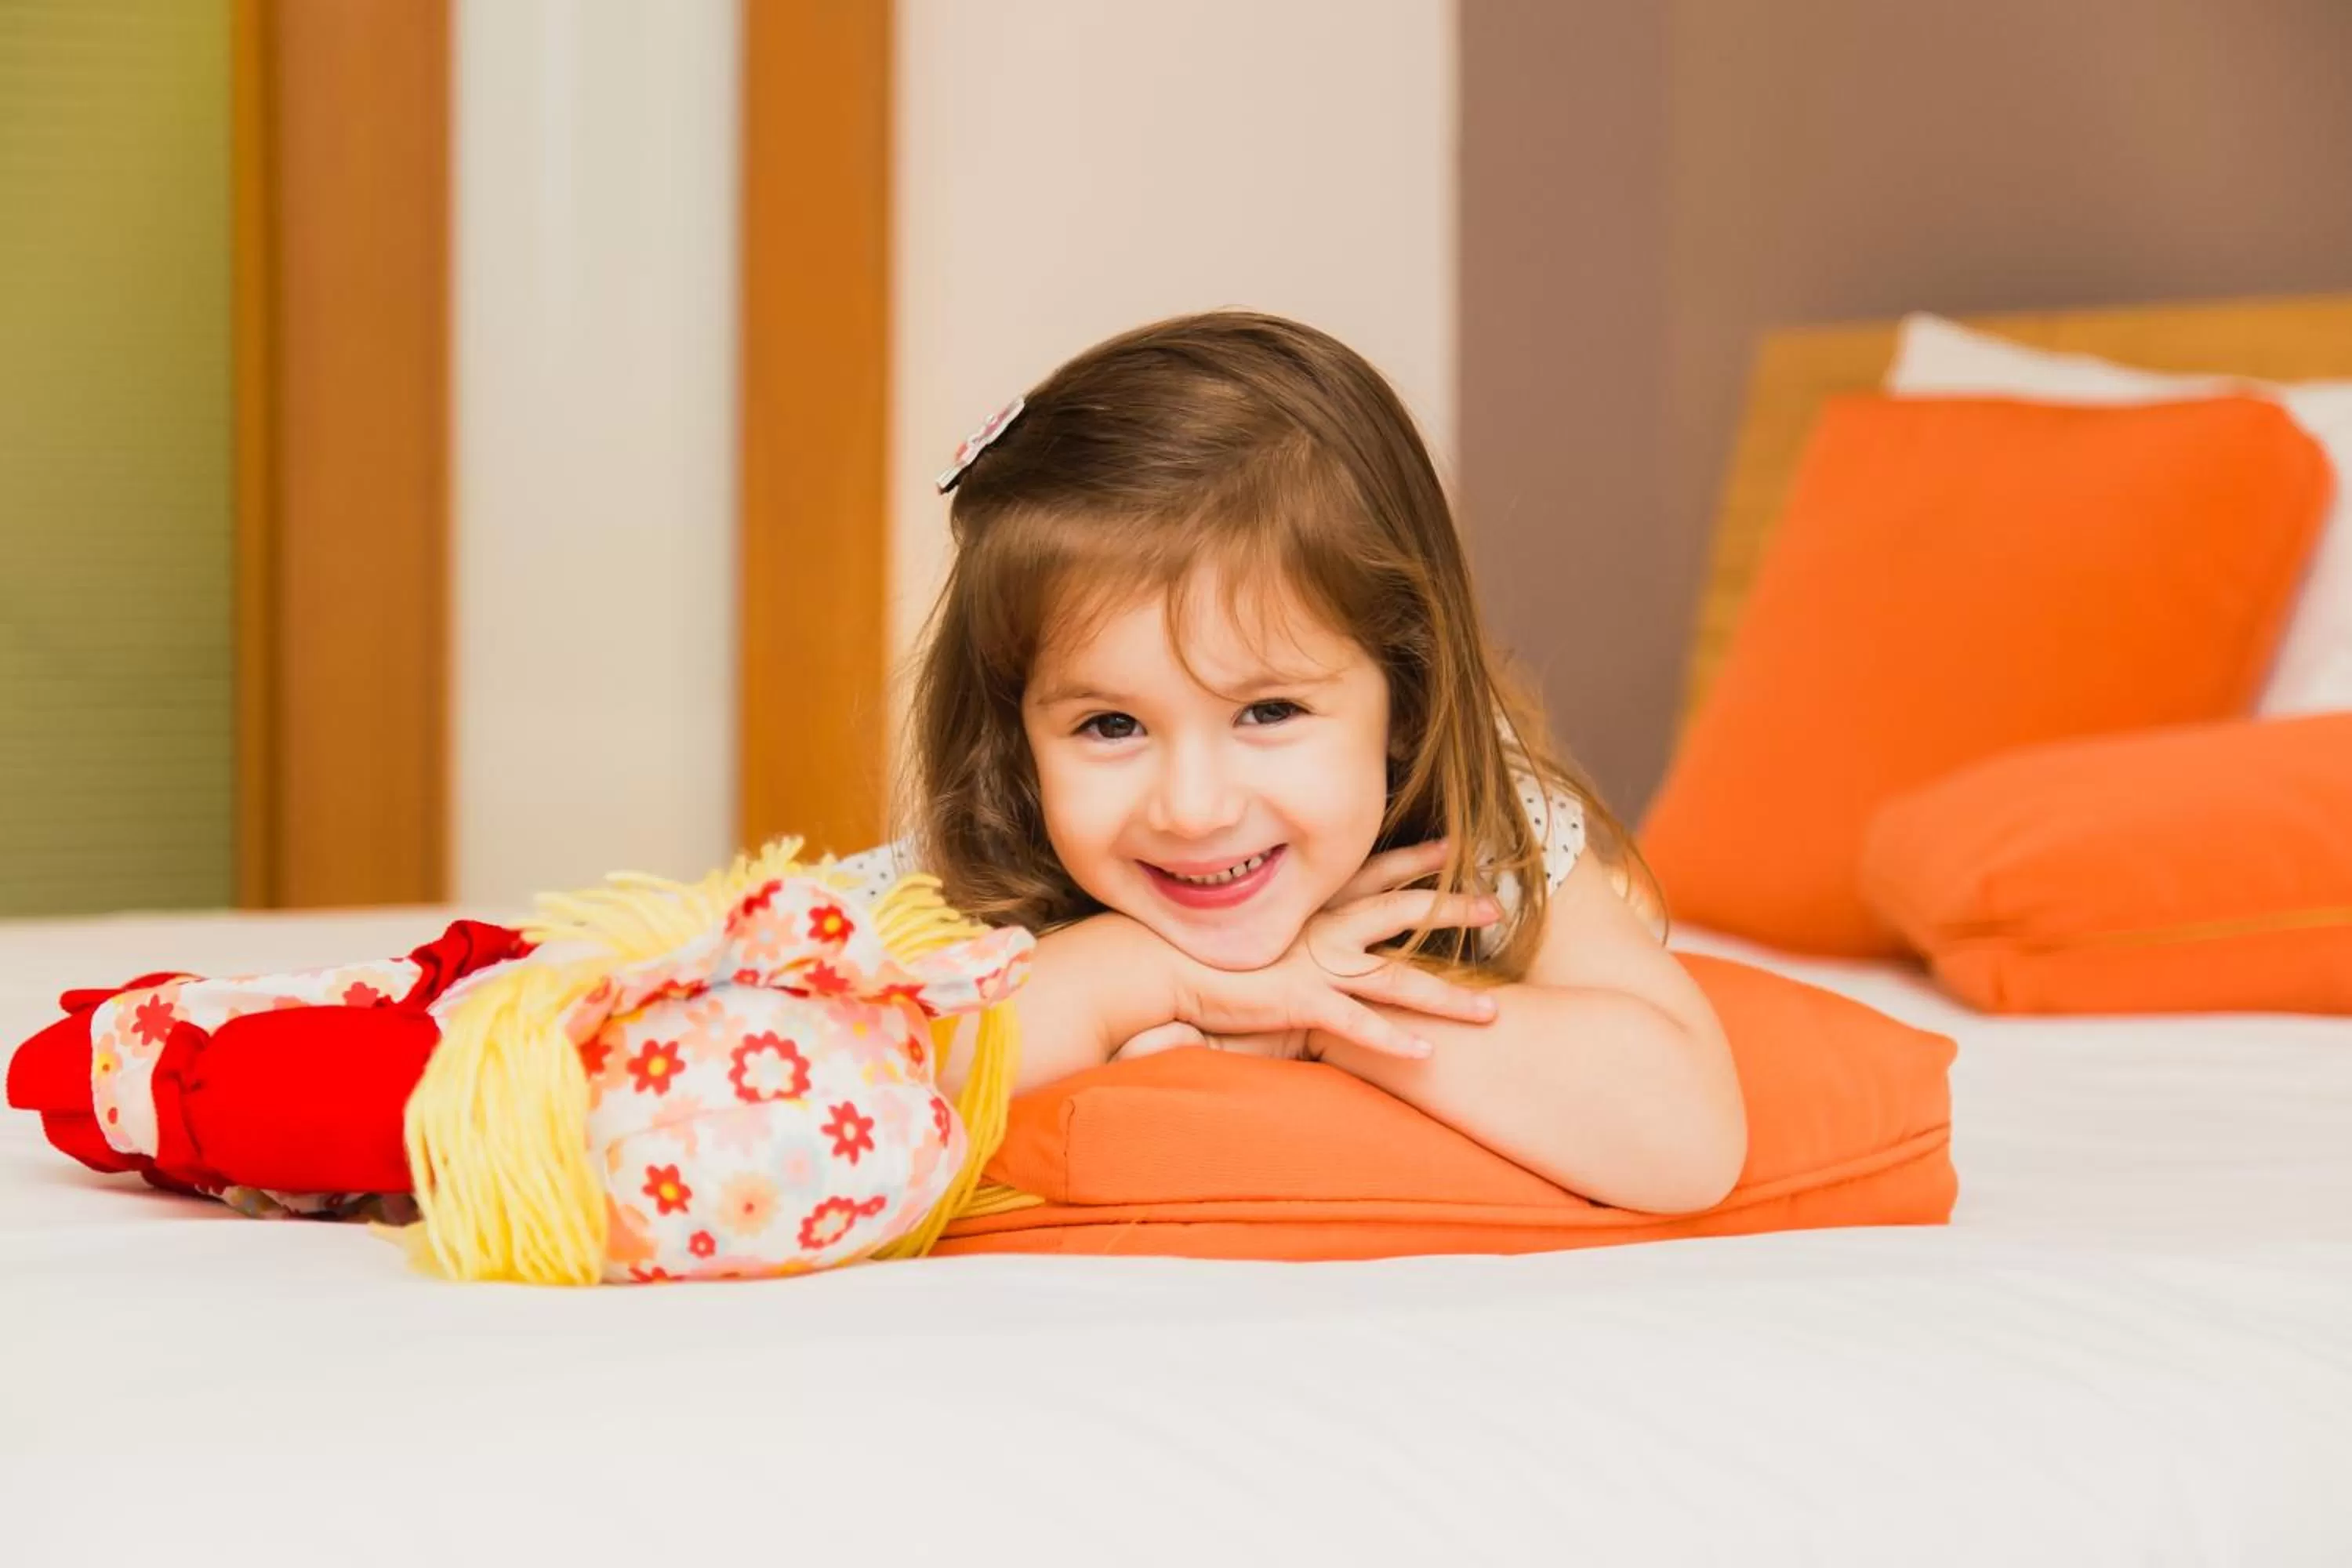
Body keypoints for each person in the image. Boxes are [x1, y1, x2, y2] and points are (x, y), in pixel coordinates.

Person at [833, 310, 1744, 1215]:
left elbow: (1687, 1140)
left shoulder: (1487, 838)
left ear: (1406, 693)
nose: (1193, 809)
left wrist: (1330, 1008)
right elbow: (844, 1097)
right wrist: (1153, 975)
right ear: (1017, 736)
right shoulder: (970, 873)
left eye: (1268, 711)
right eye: (1111, 725)